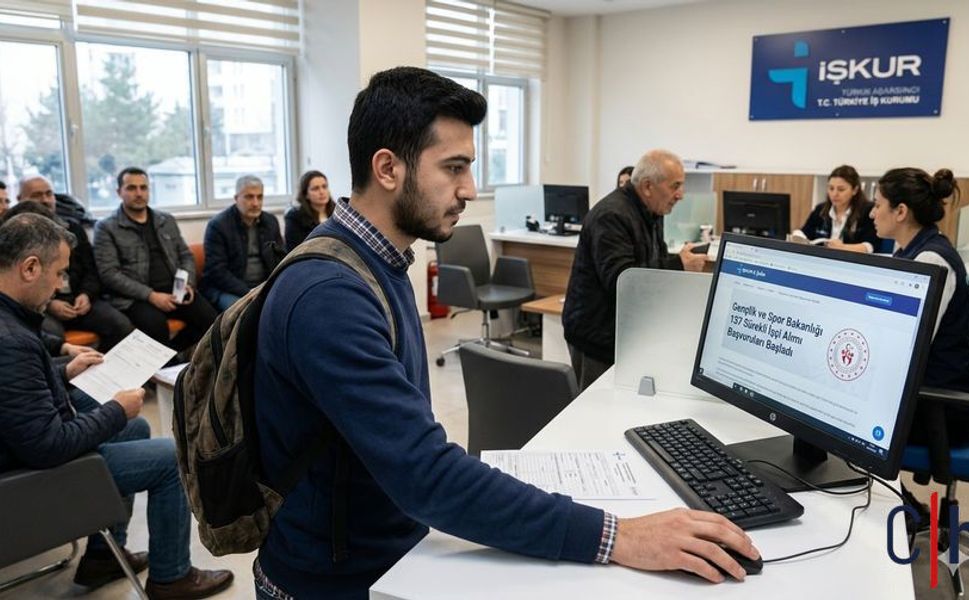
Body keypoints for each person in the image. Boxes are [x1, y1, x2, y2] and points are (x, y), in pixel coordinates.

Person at [252, 67, 758, 599]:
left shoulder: (380, 263)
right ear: (387, 169)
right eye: (453, 168)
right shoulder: (330, 294)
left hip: (390, 557)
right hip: (330, 584)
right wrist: (618, 536)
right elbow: (427, 475)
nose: (470, 188)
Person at [0, 213, 233, 598]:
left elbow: (18, 391)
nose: (60, 285)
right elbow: (47, 445)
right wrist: (115, 410)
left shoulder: (11, 323)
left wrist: (63, 371)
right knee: (172, 454)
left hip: (23, 454)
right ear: (29, 268)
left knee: (137, 429)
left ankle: (103, 556)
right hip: (30, 477)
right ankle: (171, 577)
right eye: (58, 274)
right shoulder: (11, 340)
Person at [563, 150, 707, 390]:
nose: (680, 195)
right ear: (648, 186)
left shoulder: (652, 210)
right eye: (675, 186)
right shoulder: (611, 215)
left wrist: (678, 263)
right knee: (593, 409)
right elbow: (622, 281)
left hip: (625, 335)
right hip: (595, 337)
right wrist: (678, 264)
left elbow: (655, 259)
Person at [870, 168, 969, 442]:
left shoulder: (932, 261)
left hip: (936, 406)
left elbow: (907, 349)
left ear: (900, 211)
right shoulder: (907, 251)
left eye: (878, 205)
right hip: (916, 393)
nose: (872, 213)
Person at [94, 167, 217, 351]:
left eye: (143, 188)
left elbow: (185, 255)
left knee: (211, 320)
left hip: (175, 289)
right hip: (136, 297)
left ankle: (174, 358)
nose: (139, 193)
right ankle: (165, 368)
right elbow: (109, 274)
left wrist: (188, 284)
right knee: (156, 327)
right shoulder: (106, 227)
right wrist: (151, 295)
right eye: (131, 188)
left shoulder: (165, 220)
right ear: (119, 192)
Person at [16, 176, 134, 350]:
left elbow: (91, 271)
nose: (45, 200)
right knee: (53, 337)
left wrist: (86, 295)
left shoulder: (73, 228)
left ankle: (98, 373)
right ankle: (66, 374)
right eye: (37, 195)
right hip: (40, 306)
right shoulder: (15, 234)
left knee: (121, 325)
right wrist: (49, 304)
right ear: (20, 200)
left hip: (78, 301)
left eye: (49, 194)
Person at [201, 175, 284, 311]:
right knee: (245, 312)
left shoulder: (270, 222)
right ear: (236, 198)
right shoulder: (218, 225)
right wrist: (249, 292)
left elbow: (279, 259)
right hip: (228, 289)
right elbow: (217, 272)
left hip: (262, 286)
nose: (256, 203)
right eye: (249, 197)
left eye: (260, 197)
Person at [791, 165, 880, 253]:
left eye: (841, 189)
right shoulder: (820, 209)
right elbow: (805, 232)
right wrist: (797, 236)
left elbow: (870, 246)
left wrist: (843, 247)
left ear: (855, 190)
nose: (834, 194)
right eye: (831, 188)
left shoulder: (867, 211)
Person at [284, 170, 335, 251]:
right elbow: (294, 250)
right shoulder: (295, 217)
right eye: (315, 188)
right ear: (306, 194)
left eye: (324, 187)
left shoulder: (337, 211)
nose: (322, 192)